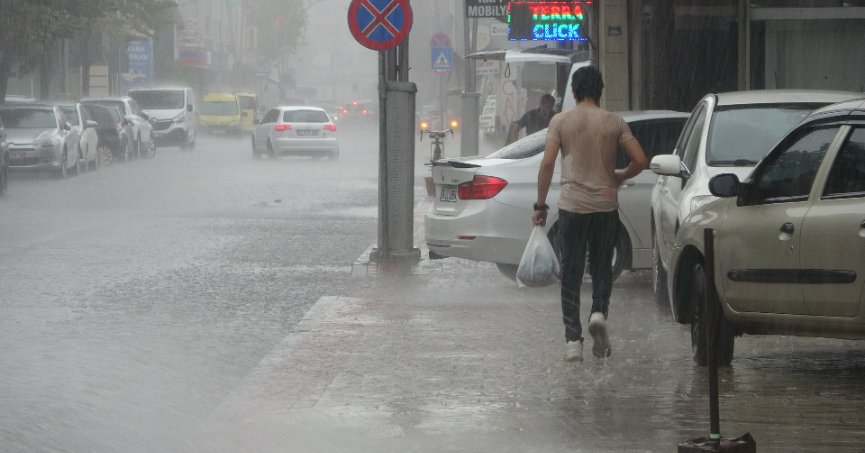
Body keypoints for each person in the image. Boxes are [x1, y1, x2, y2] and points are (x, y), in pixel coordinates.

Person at [532, 66, 648, 362]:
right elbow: (641, 160)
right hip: (605, 208)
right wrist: (619, 177)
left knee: (570, 273)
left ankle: (573, 341)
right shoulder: (615, 122)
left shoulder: (560, 121)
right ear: (600, 91)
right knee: (601, 270)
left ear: (573, 91)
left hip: (572, 207)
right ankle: (598, 313)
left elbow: (546, 164)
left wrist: (540, 205)